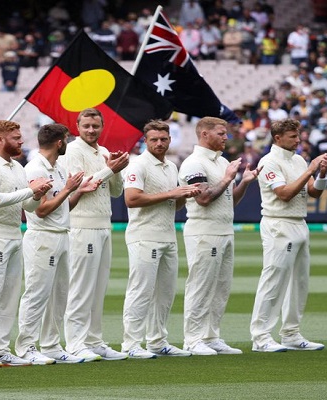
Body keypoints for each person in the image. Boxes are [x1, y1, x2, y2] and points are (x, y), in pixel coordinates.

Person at [0, 120, 53, 367]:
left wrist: (35, 195)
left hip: (13, 233)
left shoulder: (16, 167)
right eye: (16, 137)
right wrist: (30, 191)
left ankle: (0, 347)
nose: (21, 141)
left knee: (10, 294)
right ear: (0, 139)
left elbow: (28, 206)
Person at [15, 123, 100, 365]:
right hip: (43, 236)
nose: (69, 143)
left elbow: (64, 207)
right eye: (67, 139)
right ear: (60, 142)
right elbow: (41, 210)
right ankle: (26, 347)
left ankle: (51, 345)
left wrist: (79, 191)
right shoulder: (35, 168)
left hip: (62, 234)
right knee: (37, 293)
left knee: (59, 294)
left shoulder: (59, 168)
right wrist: (68, 190)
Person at [178, 116, 261, 356]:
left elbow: (229, 201)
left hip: (224, 230)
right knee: (201, 285)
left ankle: (211, 336)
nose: (226, 137)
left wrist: (243, 182)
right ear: (204, 134)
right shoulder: (194, 163)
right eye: (221, 133)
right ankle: (192, 339)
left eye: (226, 133)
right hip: (204, 231)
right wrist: (227, 177)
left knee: (221, 287)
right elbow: (203, 199)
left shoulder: (221, 161)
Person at [250, 118, 327, 352]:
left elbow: (313, 193)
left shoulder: (297, 159)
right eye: (293, 137)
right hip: (278, 224)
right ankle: (260, 337)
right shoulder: (268, 162)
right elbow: (284, 194)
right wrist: (310, 168)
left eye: (298, 136)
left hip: (299, 223)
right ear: (278, 138)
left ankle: (291, 334)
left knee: (299, 283)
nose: (298, 140)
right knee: (273, 281)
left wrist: (321, 174)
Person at [121, 120, 201, 359]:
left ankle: (157, 341)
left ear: (170, 140)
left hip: (167, 235)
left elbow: (172, 204)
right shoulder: (138, 165)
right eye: (154, 139)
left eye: (163, 139)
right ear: (145, 141)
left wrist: (186, 195)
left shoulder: (171, 166)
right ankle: (131, 344)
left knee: (165, 292)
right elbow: (131, 199)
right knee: (141, 290)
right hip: (144, 236)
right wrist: (172, 193)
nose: (159, 143)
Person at [62, 108, 129, 362]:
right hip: (82, 225)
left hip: (103, 225)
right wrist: (109, 170)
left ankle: (94, 340)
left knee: (99, 287)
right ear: (77, 126)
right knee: (81, 287)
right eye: (87, 126)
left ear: (102, 127)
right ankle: (75, 343)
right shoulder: (73, 150)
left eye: (96, 126)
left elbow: (115, 192)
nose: (91, 130)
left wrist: (117, 169)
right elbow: (80, 185)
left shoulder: (102, 152)